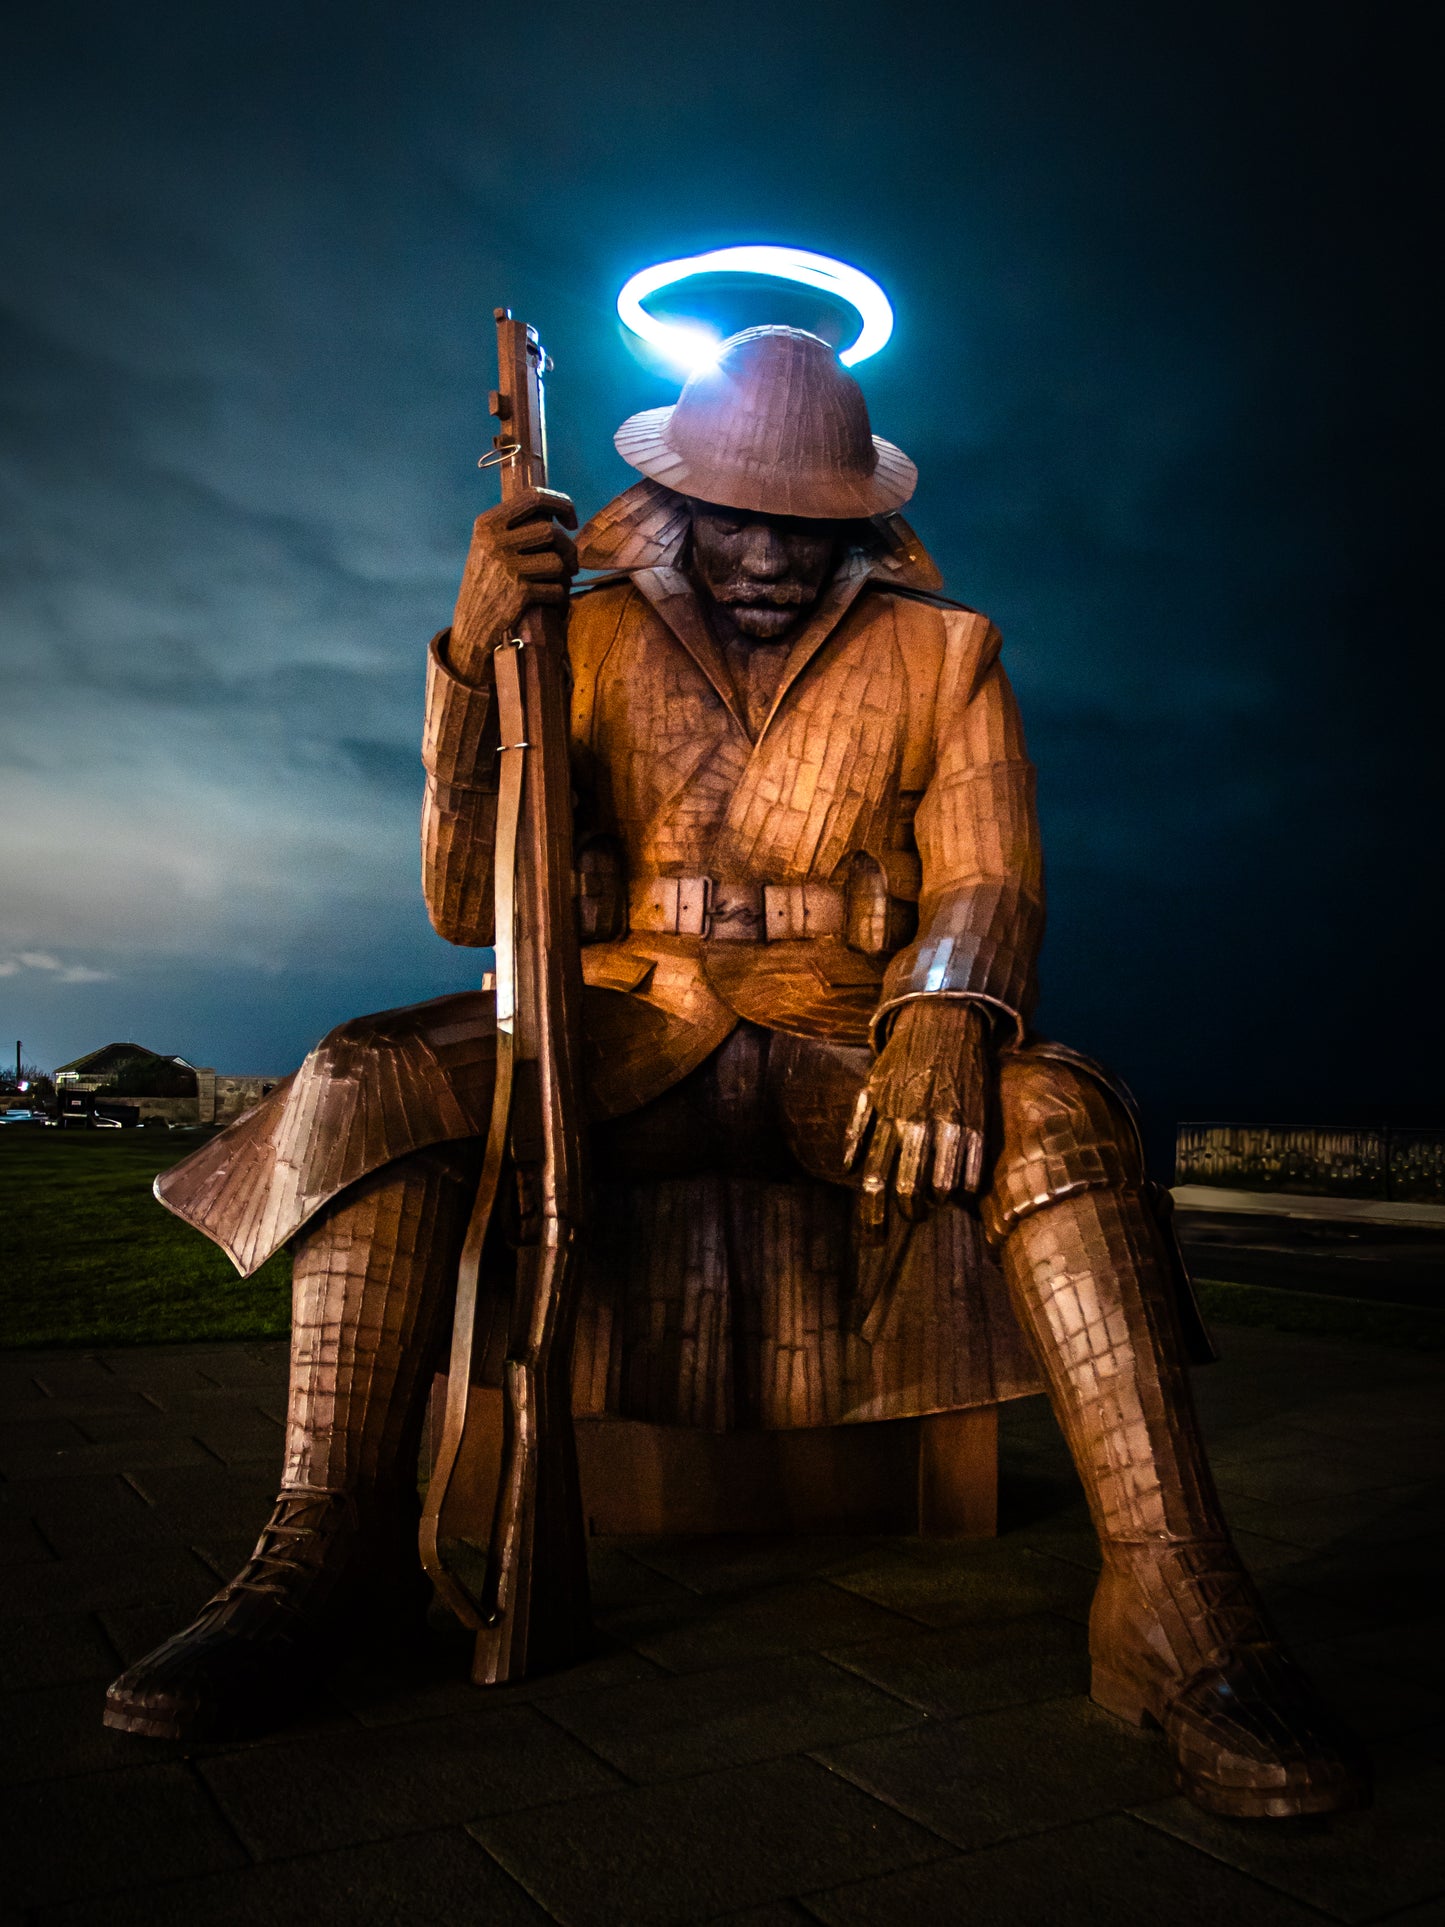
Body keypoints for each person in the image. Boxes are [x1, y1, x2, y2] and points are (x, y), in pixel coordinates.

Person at [104, 326, 1365, 1819]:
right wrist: (471, 646)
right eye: (737, 514)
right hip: (622, 1032)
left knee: (1065, 1114)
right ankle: (326, 1551)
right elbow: (462, 903)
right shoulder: (567, 627)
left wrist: (951, 1011)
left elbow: (987, 882)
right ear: (678, 497)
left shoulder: (947, 651)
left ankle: (1175, 1604)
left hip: (843, 1044)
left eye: (804, 521)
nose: (767, 550)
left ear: (858, 514)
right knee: (368, 1073)